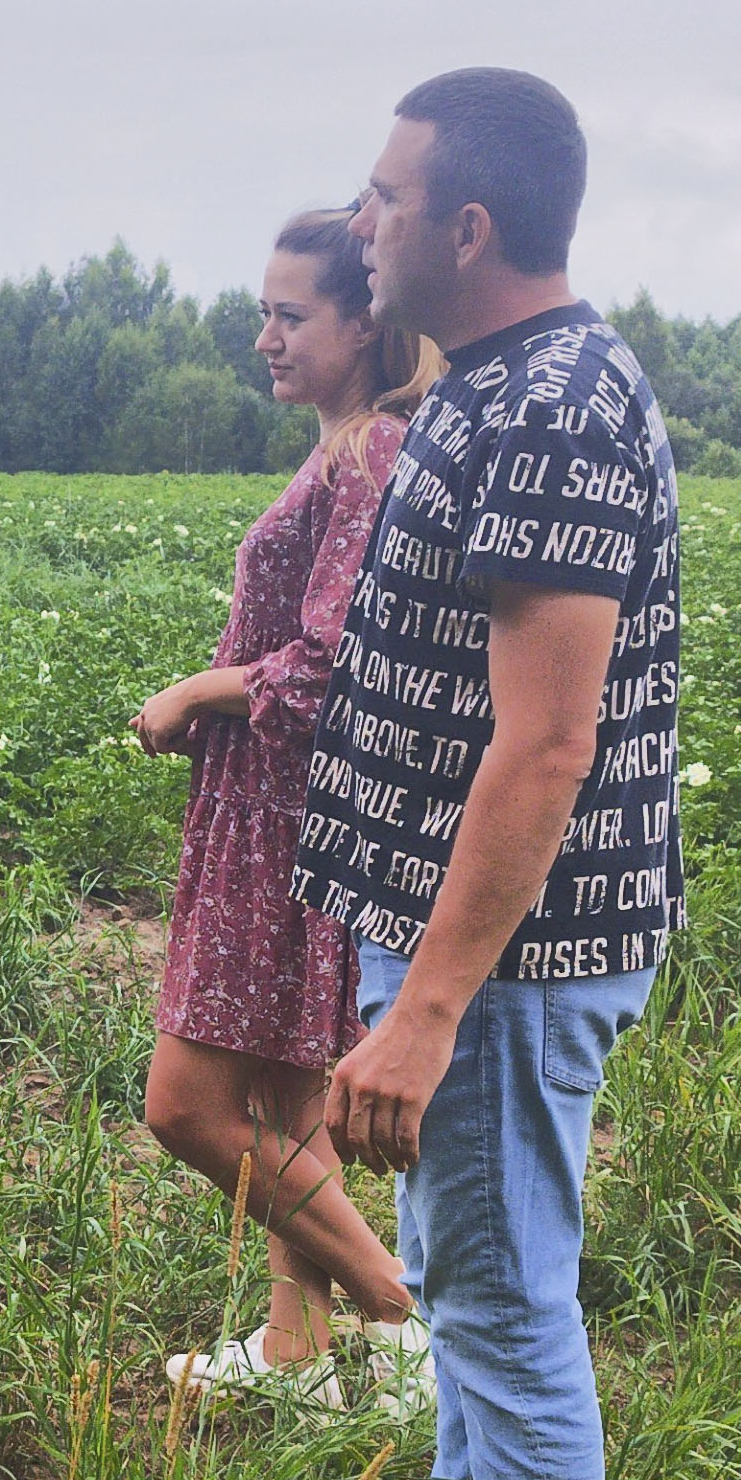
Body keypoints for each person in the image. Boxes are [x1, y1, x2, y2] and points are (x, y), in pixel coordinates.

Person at [300, 68, 681, 1480]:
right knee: (469, 1291)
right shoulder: (493, 386)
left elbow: (545, 745)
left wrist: (433, 1010)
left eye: (383, 199)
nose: (359, 221)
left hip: (506, 963)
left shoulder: (557, 408)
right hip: (466, 941)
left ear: (465, 230)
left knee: (508, 1312)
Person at [134, 209, 444, 1414]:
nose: (262, 335)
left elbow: (321, 671)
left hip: (289, 818)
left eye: (289, 313)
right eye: (260, 310)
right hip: (270, 810)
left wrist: (193, 691)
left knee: (190, 1105)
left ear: (364, 322)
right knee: (279, 1100)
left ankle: (398, 1311)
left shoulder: (367, 453)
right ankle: (295, 1352)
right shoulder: (338, 448)